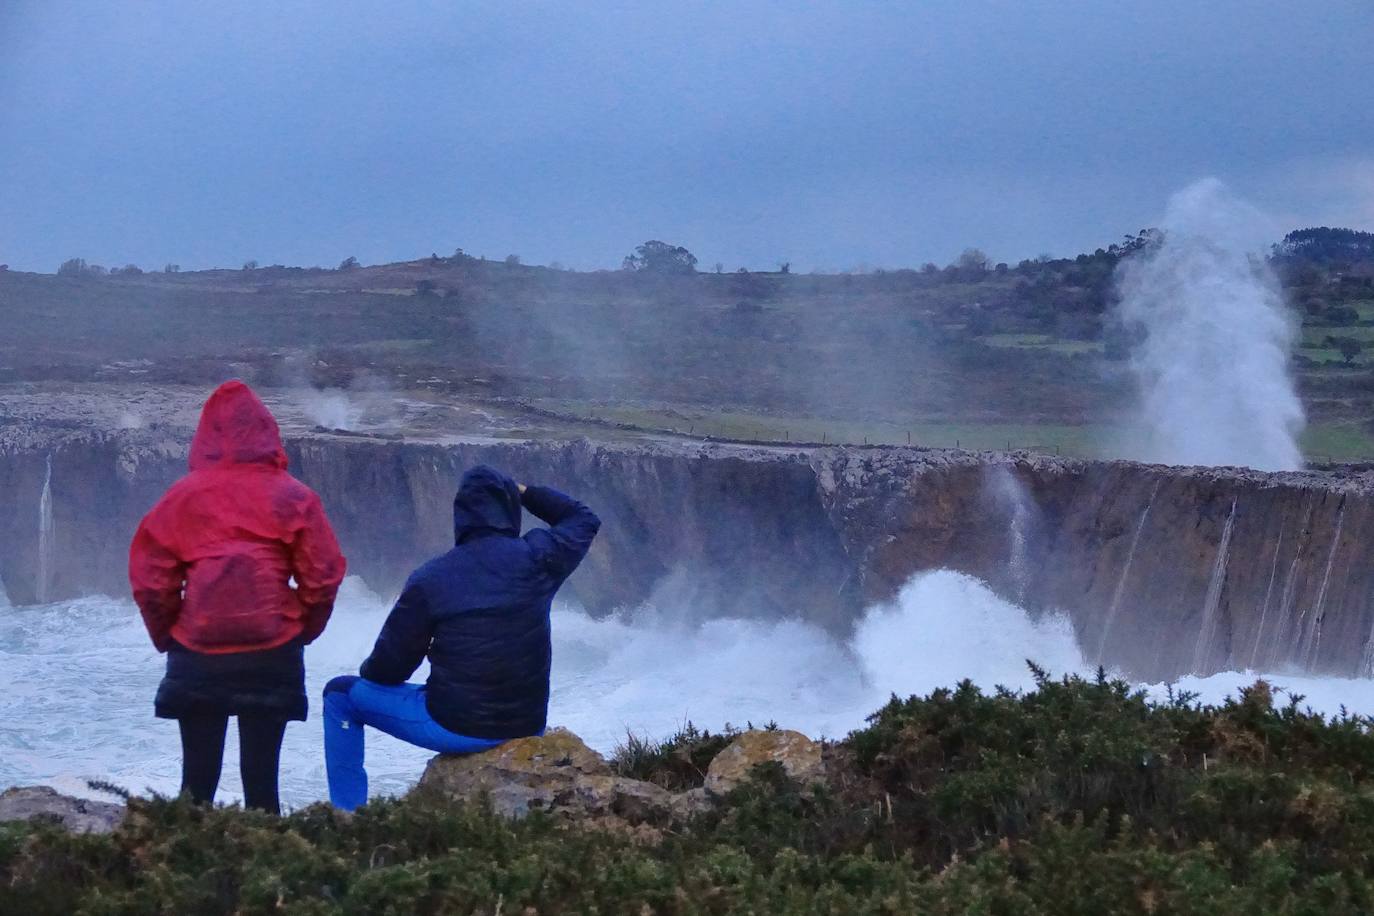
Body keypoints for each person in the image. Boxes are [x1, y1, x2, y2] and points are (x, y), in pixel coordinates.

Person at [323, 465, 600, 811]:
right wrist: (525, 491)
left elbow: (388, 670)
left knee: (339, 694)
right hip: (527, 722)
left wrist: (371, 669)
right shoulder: (537, 559)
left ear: (461, 517)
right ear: (509, 510)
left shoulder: (432, 578)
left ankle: (348, 815)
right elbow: (583, 519)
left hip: (456, 725)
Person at [129, 380, 346, 815]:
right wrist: (301, 629)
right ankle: (268, 878)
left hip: (198, 652)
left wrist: (168, 634)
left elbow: (151, 579)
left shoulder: (182, 498)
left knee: (196, 786)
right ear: (269, 433)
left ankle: (179, 876)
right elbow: (323, 575)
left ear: (206, 436)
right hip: (271, 653)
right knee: (263, 786)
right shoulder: (294, 497)